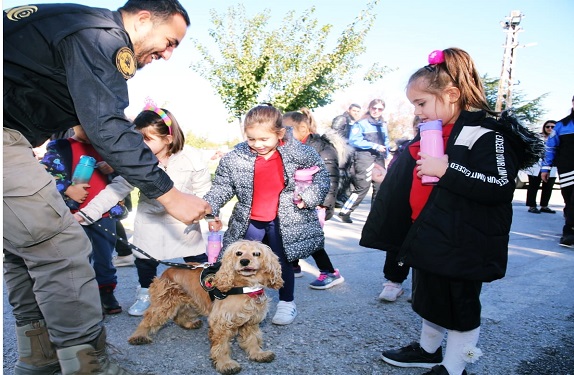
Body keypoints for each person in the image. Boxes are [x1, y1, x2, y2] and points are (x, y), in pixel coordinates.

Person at [3, 1, 211, 374]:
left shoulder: (71, 20)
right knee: (62, 247)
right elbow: (106, 124)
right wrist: (170, 194)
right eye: (169, 42)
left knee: (25, 249)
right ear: (143, 19)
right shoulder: (100, 35)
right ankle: (88, 366)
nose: (167, 54)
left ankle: (40, 358)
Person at [360, 48, 543, 375]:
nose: (417, 112)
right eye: (414, 105)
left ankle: (455, 367)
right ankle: (428, 350)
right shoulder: (434, 131)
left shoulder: (488, 132)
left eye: (421, 103)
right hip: (430, 232)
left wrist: (449, 170)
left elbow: (500, 184)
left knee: (460, 307)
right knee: (430, 299)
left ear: (452, 95)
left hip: (465, 240)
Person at [204, 105, 330, 325]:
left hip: (286, 220)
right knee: (242, 262)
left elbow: (322, 178)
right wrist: (209, 209)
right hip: (250, 220)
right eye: (251, 139)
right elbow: (221, 187)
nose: (258, 145)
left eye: (264, 139)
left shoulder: (299, 152)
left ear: (279, 133)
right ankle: (243, 301)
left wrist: (308, 197)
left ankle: (286, 303)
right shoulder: (236, 158)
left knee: (281, 262)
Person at [128, 104, 212, 316]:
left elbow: (204, 190)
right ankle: (146, 293)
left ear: (168, 139)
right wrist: (90, 212)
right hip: (150, 220)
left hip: (183, 224)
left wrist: (211, 215)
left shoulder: (191, 158)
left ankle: (203, 292)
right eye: (138, 139)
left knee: (196, 260)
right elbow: (119, 186)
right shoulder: (137, 161)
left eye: (147, 139)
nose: (141, 144)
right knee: (145, 259)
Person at [40, 125, 132, 315]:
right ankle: (81, 298)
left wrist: (112, 168)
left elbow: (125, 176)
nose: (92, 130)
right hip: (72, 216)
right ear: (74, 124)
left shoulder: (106, 149)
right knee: (77, 259)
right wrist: (67, 188)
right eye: (85, 126)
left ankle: (106, 293)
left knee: (105, 258)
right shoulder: (60, 147)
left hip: (104, 215)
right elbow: (46, 175)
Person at [283, 108, 346, 289]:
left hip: (315, 204)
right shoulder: (294, 148)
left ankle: (330, 272)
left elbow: (331, 178)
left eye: (287, 129)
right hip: (298, 202)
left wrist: (323, 204)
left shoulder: (321, 148)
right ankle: (293, 266)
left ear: (303, 128)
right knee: (292, 233)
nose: (283, 134)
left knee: (311, 238)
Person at [378, 115, 421, 302]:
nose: (422, 127)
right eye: (418, 125)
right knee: (398, 246)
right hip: (404, 207)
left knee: (425, 247)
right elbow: (394, 175)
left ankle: (422, 286)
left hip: (430, 209)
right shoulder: (405, 148)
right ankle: (394, 281)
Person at [338, 99, 390, 223]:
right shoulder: (361, 123)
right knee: (362, 186)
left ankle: (375, 218)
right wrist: (374, 146)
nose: (376, 111)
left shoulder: (383, 125)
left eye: (380, 109)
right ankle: (345, 211)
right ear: (370, 108)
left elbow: (386, 141)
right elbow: (354, 140)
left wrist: (387, 155)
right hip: (364, 156)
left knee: (380, 187)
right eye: (374, 108)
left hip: (379, 157)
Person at [541, 96, 574, 248]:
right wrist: (545, 168)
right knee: (569, 200)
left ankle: (569, 232)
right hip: (567, 168)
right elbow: (550, 148)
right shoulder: (561, 125)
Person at [332, 103, 361, 206]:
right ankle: (336, 198)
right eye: (354, 111)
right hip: (340, 150)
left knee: (347, 174)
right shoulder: (342, 119)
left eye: (358, 111)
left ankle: (341, 196)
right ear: (349, 110)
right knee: (340, 173)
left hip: (347, 150)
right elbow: (333, 134)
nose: (356, 113)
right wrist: (339, 149)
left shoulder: (353, 122)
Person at [525, 120, 558, 214]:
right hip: (536, 166)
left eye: (553, 127)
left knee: (548, 187)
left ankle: (544, 205)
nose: (550, 128)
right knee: (533, 186)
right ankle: (532, 206)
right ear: (544, 127)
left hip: (551, 166)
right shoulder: (538, 138)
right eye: (548, 126)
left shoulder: (558, 138)